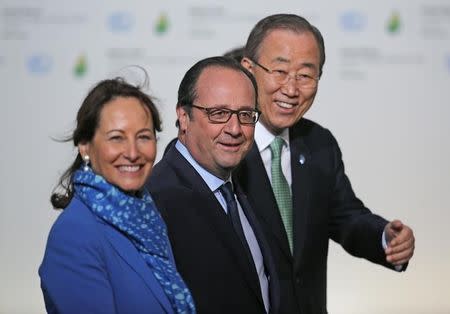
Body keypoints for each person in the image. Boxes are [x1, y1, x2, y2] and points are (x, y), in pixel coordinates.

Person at [233, 13, 415, 313]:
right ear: (248, 70)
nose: (291, 89)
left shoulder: (319, 144)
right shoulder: (225, 146)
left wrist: (386, 237)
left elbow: (346, 217)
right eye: (280, 71)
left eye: (305, 75)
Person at [39, 77, 196, 314]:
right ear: (85, 146)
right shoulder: (73, 236)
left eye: (143, 137)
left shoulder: (148, 219)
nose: (132, 153)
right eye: (116, 138)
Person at [146, 56, 279, 314]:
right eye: (218, 113)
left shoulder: (243, 186)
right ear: (184, 117)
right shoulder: (156, 200)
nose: (235, 128)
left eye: (245, 114)